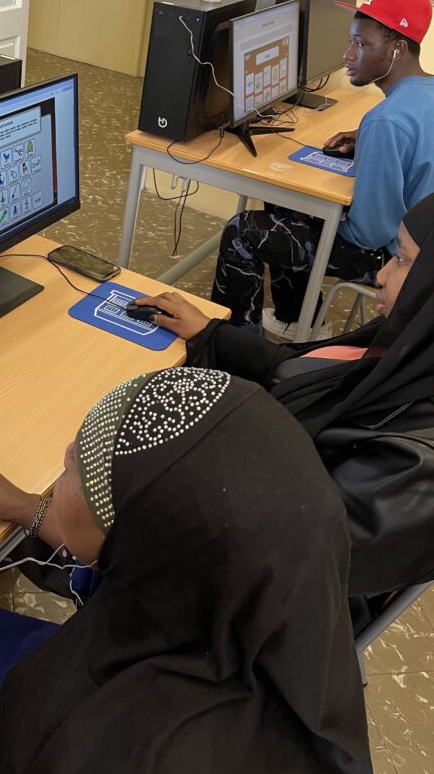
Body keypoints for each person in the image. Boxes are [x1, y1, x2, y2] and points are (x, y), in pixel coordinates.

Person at [0, 369, 371, 774]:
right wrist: (22, 506)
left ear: (143, 544)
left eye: (81, 471)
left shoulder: (122, 748)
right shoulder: (266, 613)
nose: (68, 457)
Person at [135, 193, 434, 597]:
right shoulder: (408, 349)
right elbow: (305, 375)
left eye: (402, 259)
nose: (380, 275)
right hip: (237, 497)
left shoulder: (415, 468)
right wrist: (212, 333)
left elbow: (278, 559)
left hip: (227, 588)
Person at [211, 0, 434, 338]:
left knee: (243, 232)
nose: (347, 54)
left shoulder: (386, 121)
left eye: (361, 44)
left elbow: (369, 233)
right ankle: (295, 318)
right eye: (350, 41)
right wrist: (367, 140)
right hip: (425, 248)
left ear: (397, 49)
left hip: (395, 259)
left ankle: (232, 349)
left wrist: (319, 214)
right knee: (287, 203)